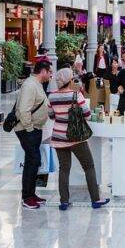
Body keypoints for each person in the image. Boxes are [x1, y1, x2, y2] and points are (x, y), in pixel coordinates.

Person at [48, 67, 109, 211]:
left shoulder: (52, 96)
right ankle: (95, 199)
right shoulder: (77, 95)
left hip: (58, 137)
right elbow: (87, 115)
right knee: (88, 166)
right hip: (76, 137)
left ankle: (64, 201)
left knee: (64, 169)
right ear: (70, 81)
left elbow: (51, 116)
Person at [15, 59, 51, 210]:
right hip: (27, 129)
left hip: (35, 128)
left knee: (33, 161)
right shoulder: (30, 85)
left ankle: (31, 194)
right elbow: (23, 110)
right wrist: (29, 129)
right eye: (49, 71)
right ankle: (26, 197)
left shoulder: (37, 84)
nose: (51, 74)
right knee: (32, 161)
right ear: (43, 71)